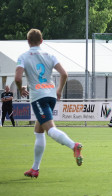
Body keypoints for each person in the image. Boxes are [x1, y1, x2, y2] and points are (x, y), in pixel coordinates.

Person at [15, 29, 83, 178]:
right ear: (41, 41)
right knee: (38, 131)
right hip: (51, 95)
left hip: (38, 97)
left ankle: (74, 146)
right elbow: (64, 74)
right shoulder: (50, 55)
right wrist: (59, 90)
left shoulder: (23, 57)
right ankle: (35, 169)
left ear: (28, 41)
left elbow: (18, 78)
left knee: (50, 130)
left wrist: (20, 89)